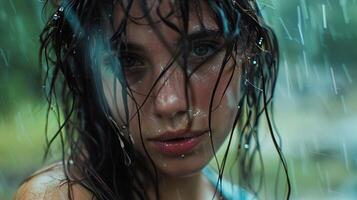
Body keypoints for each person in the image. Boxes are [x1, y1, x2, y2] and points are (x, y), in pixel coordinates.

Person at [14, 0, 290, 199]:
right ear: (91, 73)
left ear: (246, 49)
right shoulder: (59, 196)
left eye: (202, 49)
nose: (169, 102)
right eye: (128, 60)